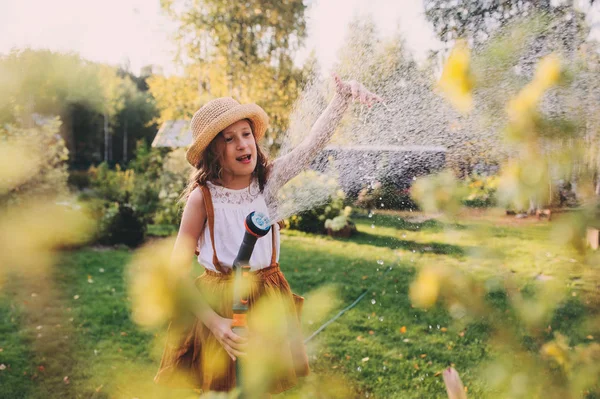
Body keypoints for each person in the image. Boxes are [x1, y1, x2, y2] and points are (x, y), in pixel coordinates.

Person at [154, 74, 381, 395]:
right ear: (212, 152)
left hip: (268, 295)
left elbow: (310, 146)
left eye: (246, 134)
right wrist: (215, 324)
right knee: (224, 386)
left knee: (262, 386)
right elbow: (175, 273)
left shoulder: (268, 180)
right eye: (229, 138)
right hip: (219, 306)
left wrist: (341, 99)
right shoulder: (202, 198)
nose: (243, 143)